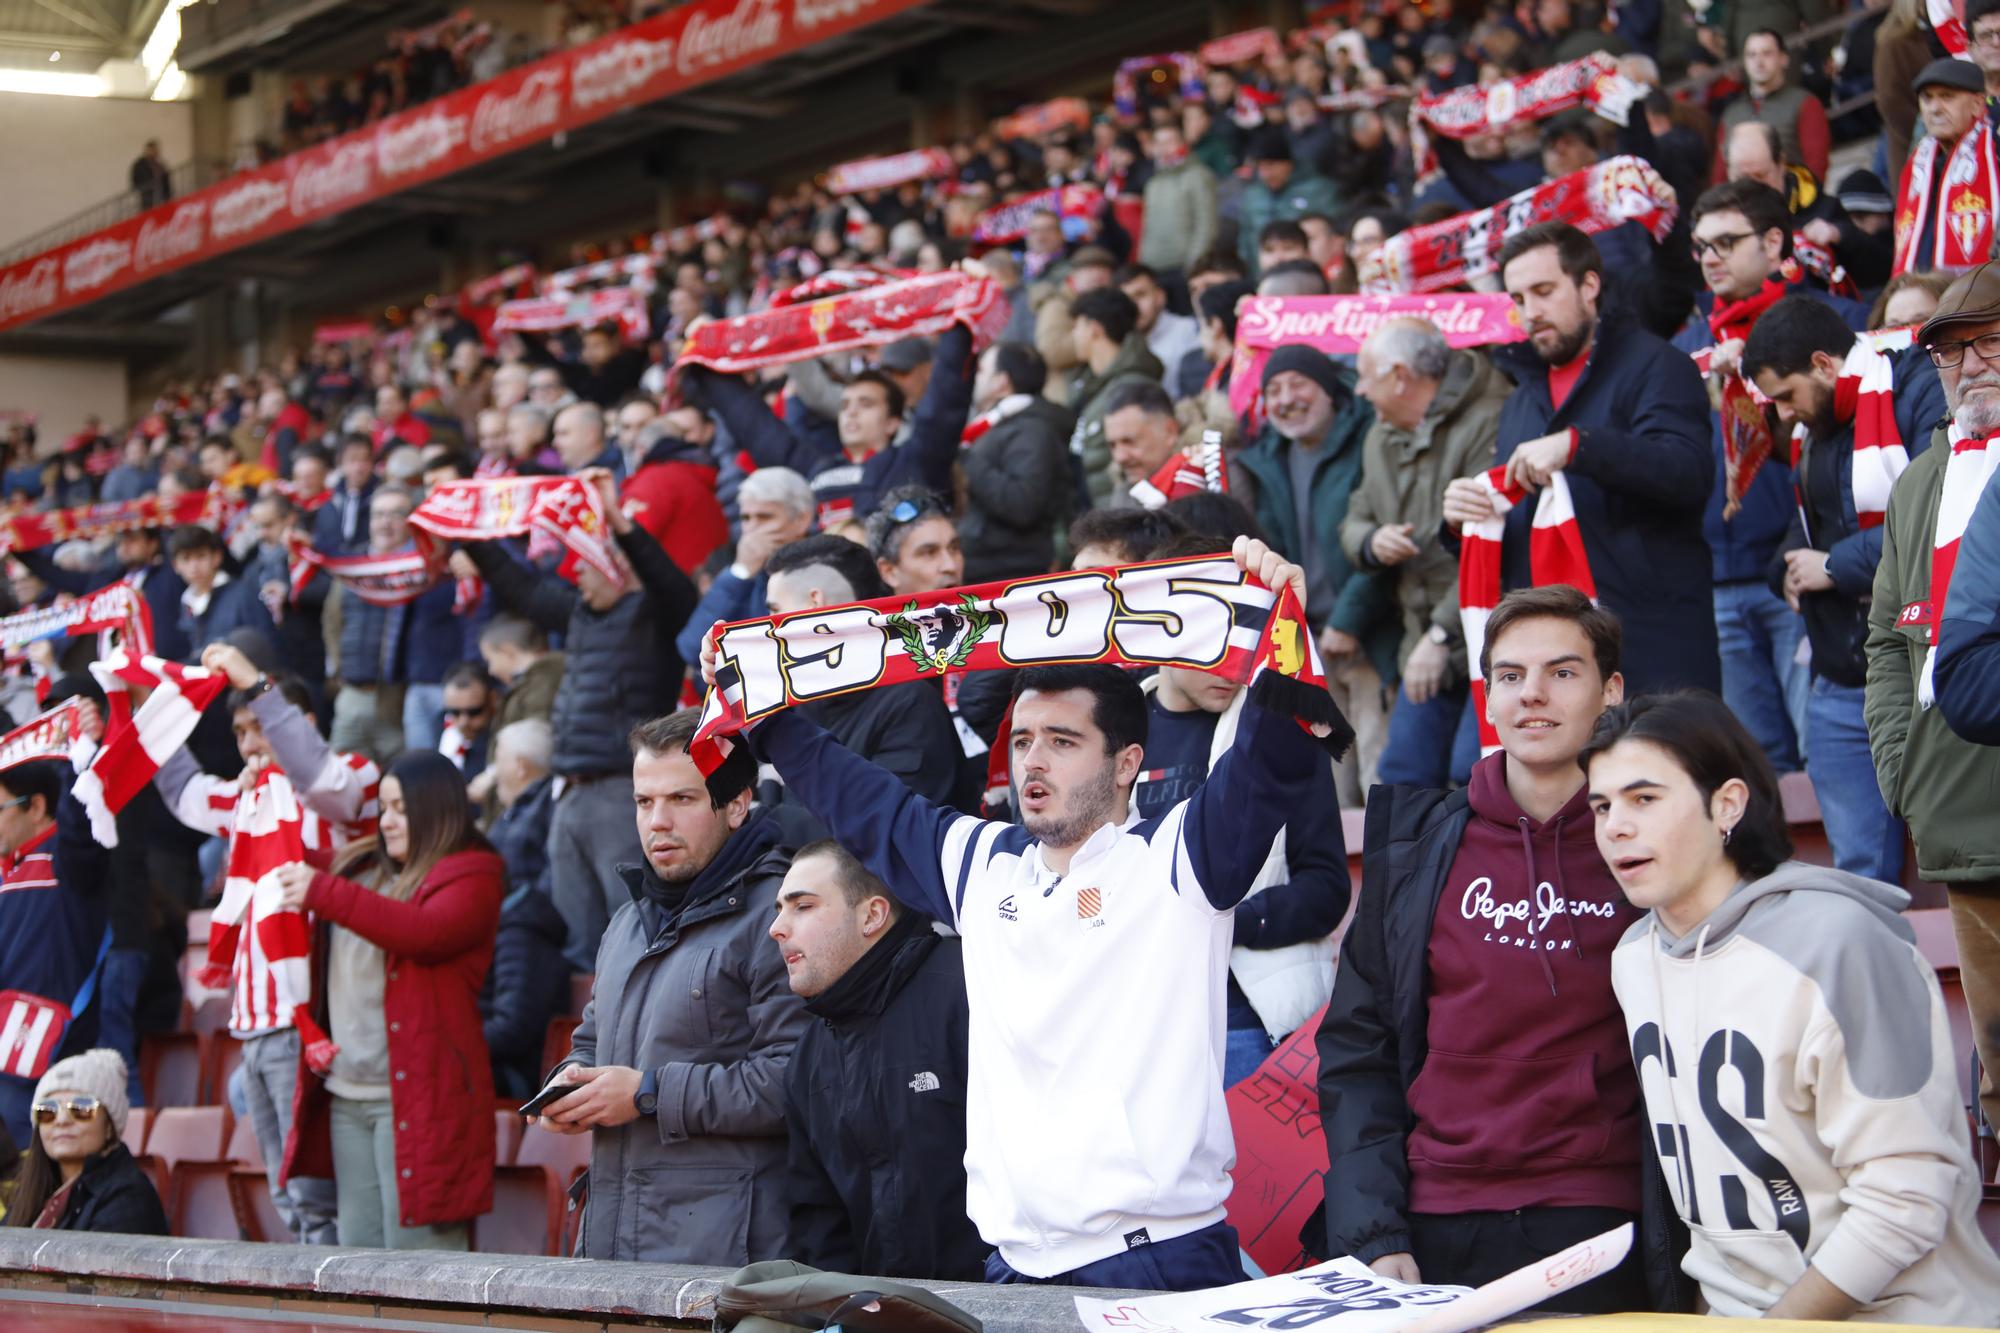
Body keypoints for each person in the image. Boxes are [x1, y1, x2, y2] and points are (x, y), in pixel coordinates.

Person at [719, 535, 1339, 1291]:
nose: (1033, 761)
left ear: (1125, 764)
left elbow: (1272, 761)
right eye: (1022, 740)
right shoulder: (983, 862)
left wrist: (1283, 623)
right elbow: (860, 797)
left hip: (1154, 1257)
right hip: (1012, 1267)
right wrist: (759, 709)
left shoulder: (1180, 859)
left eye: (1063, 740)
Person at [1585, 693, 2000, 1324]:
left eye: (1644, 799)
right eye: (1602, 805)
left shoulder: (1840, 944)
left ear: (1726, 804)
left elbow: (1907, 1193)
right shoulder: (1633, 958)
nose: (1615, 826)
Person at [1314, 587, 1658, 1310]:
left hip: (1592, 1211)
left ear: (1611, 690)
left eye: (1563, 672)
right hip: (1430, 1217)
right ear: (1488, 694)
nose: (1533, 693)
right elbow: (1358, 1049)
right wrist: (1374, 1230)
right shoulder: (1416, 848)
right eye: (1510, 675)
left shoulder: (1646, 845)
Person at [531, 709, 807, 1265]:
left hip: (726, 1258)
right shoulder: (627, 922)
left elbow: (793, 1083)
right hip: (613, 1240)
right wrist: (571, 1084)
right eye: (643, 802)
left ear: (736, 804)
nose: (657, 821)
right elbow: (591, 1041)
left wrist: (646, 1093)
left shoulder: (783, 912)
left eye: (681, 800)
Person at [1443, 223, 1719, 699]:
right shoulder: (1519, 399)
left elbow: (1687, 472)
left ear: (1590, 286)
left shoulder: (1659, 365)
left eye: (1544, 291)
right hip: (1554, 663)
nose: (1531, 312)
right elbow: (1522, 528)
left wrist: (1580, 446)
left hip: (1651, 651)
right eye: (1519, 299)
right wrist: (1461, 520)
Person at [154, 648, 371, 1245]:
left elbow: (328, 782)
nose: (251, 745)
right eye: (242, 732)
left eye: (261, 727)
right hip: (252, 1026)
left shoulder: (343, 782)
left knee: (313, 1195)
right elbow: (185, 792)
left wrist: (257, 685)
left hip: (313, 1023)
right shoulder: (249, 801)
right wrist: (140, 714)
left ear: (300, 724)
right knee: (286, 1195)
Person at [460, 468, 699, 970]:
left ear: (612, 566)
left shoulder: (655, 613)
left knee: (633, 925)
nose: (577, 578)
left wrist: (618, 521)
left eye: (586, 568)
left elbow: (668, 581)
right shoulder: (581, 613)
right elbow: (520, 588)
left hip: (619, 790)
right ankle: (591, 1038)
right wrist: (470, 532)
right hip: (567, 790)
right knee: (579, 938)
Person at [1741, 296, 1943, 883]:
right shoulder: (1820, 423)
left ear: (1825, 365)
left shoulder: (1916, 389)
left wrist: (1836, 565)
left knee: (1964, 861)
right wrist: (1785, 568)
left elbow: (1937, 512)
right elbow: (1806, 526)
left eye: (1786, 395)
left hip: (1923, 665)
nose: (1782, 416)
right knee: (1859, 875)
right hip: (1838, 679)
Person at [1136, 535, 1348, 1086]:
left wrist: (1229, 923)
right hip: (1140, 1020)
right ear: (1164, 631)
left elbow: (1327, 887)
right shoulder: (1113, 728)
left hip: (1250, 1019)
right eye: (1212, 642)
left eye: (1242, 641)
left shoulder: (1283, 729)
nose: (1229, 667)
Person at [271, 751, 504, 1251]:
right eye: (383, 808)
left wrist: (323, 891)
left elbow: (423, 932)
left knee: (423, 1270)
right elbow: (282, 849)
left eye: (400, 808)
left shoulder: (474, 874)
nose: (387, 821)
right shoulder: (360, 865)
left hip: (424, 1101)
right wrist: (263, 791)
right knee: (359, 1261)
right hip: (348, 1096)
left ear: (434, 808)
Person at [1867, 263, 2000, 1137]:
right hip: (1949, 795)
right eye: (1954, 350)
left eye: (1992, 341)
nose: (1973, 364)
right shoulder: (1919, 479)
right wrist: (1897, 766)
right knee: (1997, 1062)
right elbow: (1884, 639)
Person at [1673, 180, 1859, 779]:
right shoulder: (1690, 343)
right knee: (1759, 771)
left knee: (1831, 757)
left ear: (1774, 241)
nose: (1710, 258)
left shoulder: (1834, 324)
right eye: (1701, 246)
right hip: (1719, 580)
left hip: (1804, 576)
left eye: (1726, 241)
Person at [773, 840, 982, 1280]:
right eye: (780, 909)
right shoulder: (808, 1058)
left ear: (872, 915)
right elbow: (819, 1226)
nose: (777, 927)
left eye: (803, 907)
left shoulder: (971, 990)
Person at [1344, 317, 1508, 789]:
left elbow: (1494, 546)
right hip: (1420, 640)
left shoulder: (1490, 418)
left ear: (1400, 376)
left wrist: (1439, 635)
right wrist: (1371, 543)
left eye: (1365, 375)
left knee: (1473, 774)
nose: (1358, 390)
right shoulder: (1380, 435)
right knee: (1402, 779)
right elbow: (1353, 520)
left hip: (1483, 636)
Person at [1234, 344, 1394, 805]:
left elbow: (1385, 539)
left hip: (1365, 636)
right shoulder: (1266, 459)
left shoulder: (1369, 439)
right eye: (1273, 389)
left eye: (1297, 384)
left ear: (1328, 390)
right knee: (1328, 781)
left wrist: (1349, 620)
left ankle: (1394, 874)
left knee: (1379, 768)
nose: (1285, 399)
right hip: (1304, 641)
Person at [685, 325, 973, 527]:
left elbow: (944, 400)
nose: (851, 414)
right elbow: (753, 424)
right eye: (845, 405)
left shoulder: (916, 461)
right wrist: (706, 357)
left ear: (893, 422)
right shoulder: (817, 468)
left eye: (867, 404)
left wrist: (961, 325)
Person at [761, 535, 965, 811]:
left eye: (775, 610)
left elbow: (879, 827)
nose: (767, 628)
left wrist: (766, 821)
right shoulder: (800, 698)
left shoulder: (910, 705)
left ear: (815, 605)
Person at [0, 757, 110, 1147]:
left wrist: (75, 758)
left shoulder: (68, 861)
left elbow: (81, 828)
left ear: (37, 807)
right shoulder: (6, 869)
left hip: (47, 1057)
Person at [478, 719, 567, 1102]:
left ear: (518, 765)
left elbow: (513, 1025)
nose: (492, 773)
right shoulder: (513, 813)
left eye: (497, 760)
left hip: (508, 1078)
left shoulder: (521, 923)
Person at [2, 1050, 166, 1234]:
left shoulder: (130, 1197)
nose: (62, 1120)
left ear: (109, 1126)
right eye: (48, 1110)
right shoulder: (32, 1190)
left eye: (81, 1108)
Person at [671, 467, 815, 666]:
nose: (752, 528)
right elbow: (692, 649)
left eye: (765, 517)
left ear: (802, 520)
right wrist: (740, 573)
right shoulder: (742, 573)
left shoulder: (824, 566)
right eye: (746, 518)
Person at [959, 343, 1071, 582]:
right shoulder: (995, 424)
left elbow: (1022, 503)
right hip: (989, 561)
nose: (973, 379)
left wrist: (967, 458)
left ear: (1002, 381)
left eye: (980, 371)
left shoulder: (1032, 429)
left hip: (1008, 568)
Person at [326, 487, 417, 763]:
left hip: (398, 702)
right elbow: (332, 621)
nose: (385, 523)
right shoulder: (351, 566)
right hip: (352, 696)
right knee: (342, 788)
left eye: (395, 514)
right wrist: (340, 668)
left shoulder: (422, 567)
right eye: (378, 514)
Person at [14, 525, 188, 665]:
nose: (124, 546)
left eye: (132, 539)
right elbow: (54, 574)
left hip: (163, 663)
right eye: (121, 540)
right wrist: (15, 543)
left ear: (153, 544)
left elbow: (183, 543)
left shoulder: (171, 574)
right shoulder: (105, 580)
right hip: (115, 667)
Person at [1892, 59, 2000, 277]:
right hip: (1923, 295)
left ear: (1977, 105)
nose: (1935, 108)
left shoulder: (1995, 150)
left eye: (1947, 97)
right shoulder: (1917, 163)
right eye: (1927, 98)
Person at [1067, 288, 1166, 508]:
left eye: (1076, 326)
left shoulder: (1133, 386)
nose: (1072, 335)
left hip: (1119, 522)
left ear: (1094, 329)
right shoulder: (1091, 386)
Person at [1715, 30, 1831, 184]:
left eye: (1767, 53)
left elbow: (1816, 167)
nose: (1758, 61)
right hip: (1742, 202)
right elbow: (1719, 175)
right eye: (1751, 55)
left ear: (1783, 59)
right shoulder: (1731, 114)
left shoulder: (1805, 103)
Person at [620, 417, 729, 574]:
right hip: (710, 575)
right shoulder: (695, 471)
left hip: (681, 584)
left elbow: (629, 543)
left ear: (641, 449)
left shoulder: (653, 481)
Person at [168, 525, 274, 658]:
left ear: (217, 557)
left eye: (200, 556)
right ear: (175, 565)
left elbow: (267, 646)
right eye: (186, 559)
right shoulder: (186, 602)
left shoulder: (243, 595)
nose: (193, 566)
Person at [1137, 122, 1219, 280]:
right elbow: (1146, 227)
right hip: (1153, 266)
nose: (1163, 148)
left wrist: (1195, 261)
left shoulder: (1198, 176)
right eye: (1159, 143)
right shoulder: (1153, 183)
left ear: (1183, 143)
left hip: (1184, 266)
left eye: (1169, 141)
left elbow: (1207, 223)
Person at [476, 613, 564, 735]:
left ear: (508, 651)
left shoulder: (541, 685)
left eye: (489, 660)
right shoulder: (536, 682)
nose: (491, 670)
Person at [1120, 263, 1203, 376]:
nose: (1133, 306)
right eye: (1126, 299)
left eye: (1140, 295)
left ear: (1160, 296)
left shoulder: (1189, 329)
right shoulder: (1118, 342)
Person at [439, 662, 499, 781]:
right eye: (454, 712)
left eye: (474, 712)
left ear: (493, 700)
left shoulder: (503, 736)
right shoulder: (440, 726)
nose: (463, 722)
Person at [130, 141, 171, 211]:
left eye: (155, 150)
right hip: (148, 194)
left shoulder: (160, 165)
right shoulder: (140, 165)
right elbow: (136, 178)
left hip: (160, 194)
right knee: (149, 212)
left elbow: (166, 179)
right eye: (152, 150)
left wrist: (168, 195)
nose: (154, 152)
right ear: (147, 151)